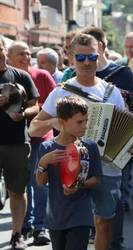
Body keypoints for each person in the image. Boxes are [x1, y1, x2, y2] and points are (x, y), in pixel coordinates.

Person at [28, 33, 133, 250]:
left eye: (92, 57)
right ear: (71, 58)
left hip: (107, 167)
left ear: (99, 54)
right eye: (80, 58)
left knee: (103, 222)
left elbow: (127, 130)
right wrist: (56, 121)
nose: (87, 63)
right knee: (72, 225)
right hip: (69, 166)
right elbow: (34, 127)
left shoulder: (111, 92)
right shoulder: (60, 92)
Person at [35, 96, 102, 250]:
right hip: (55, 217)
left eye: (86, 121)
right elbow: (40, 182)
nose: (85, 126)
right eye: (79, 122)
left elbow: (97, 179)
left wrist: (78, 184)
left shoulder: (89, 146)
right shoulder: (46, 147)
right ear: (62, 122)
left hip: (80, 216)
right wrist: (43, 163)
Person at [7, 41, 56, 246]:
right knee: (22, 186)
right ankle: (25, 226)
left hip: (40, 139)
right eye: (21, 54)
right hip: (18, 141)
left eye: (28, 53)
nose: (26, 57)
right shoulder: (6, 77)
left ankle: (40, 227)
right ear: (8, 56)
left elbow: (56, 102)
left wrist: (30, 111)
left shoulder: (41, 75)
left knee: (41, 184)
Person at [0, 36, 40, 250]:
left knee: (17, 190)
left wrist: (24, 113)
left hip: (16, 142)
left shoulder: (21, 76)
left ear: (4, 50)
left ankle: (16, 234)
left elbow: (37, 107)